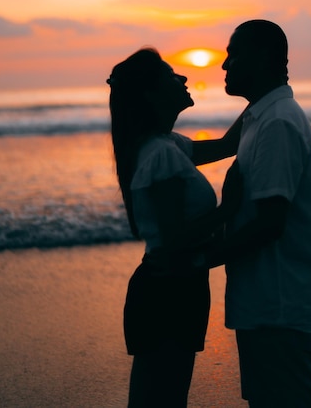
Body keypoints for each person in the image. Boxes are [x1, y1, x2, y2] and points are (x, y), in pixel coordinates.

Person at [107, 47, 242, 408]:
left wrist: (265, 95)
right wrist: (230, 208)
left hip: (173, 285)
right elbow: (173, 240)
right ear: (152, 94)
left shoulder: (168, 145)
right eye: (170, 75)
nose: (182, 78)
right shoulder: (161, 154)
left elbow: (230, 145)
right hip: (167, 289)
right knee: (161, 399)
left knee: (161, 397)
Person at [210, 20, 311, 408]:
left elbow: (269, 224)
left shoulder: (277, 123)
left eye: (234, 54)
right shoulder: (259, 114)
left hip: (279, 301)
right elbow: (214, 149)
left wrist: (198, 260)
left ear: (261, 57)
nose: (224, 65)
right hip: (268, 300)